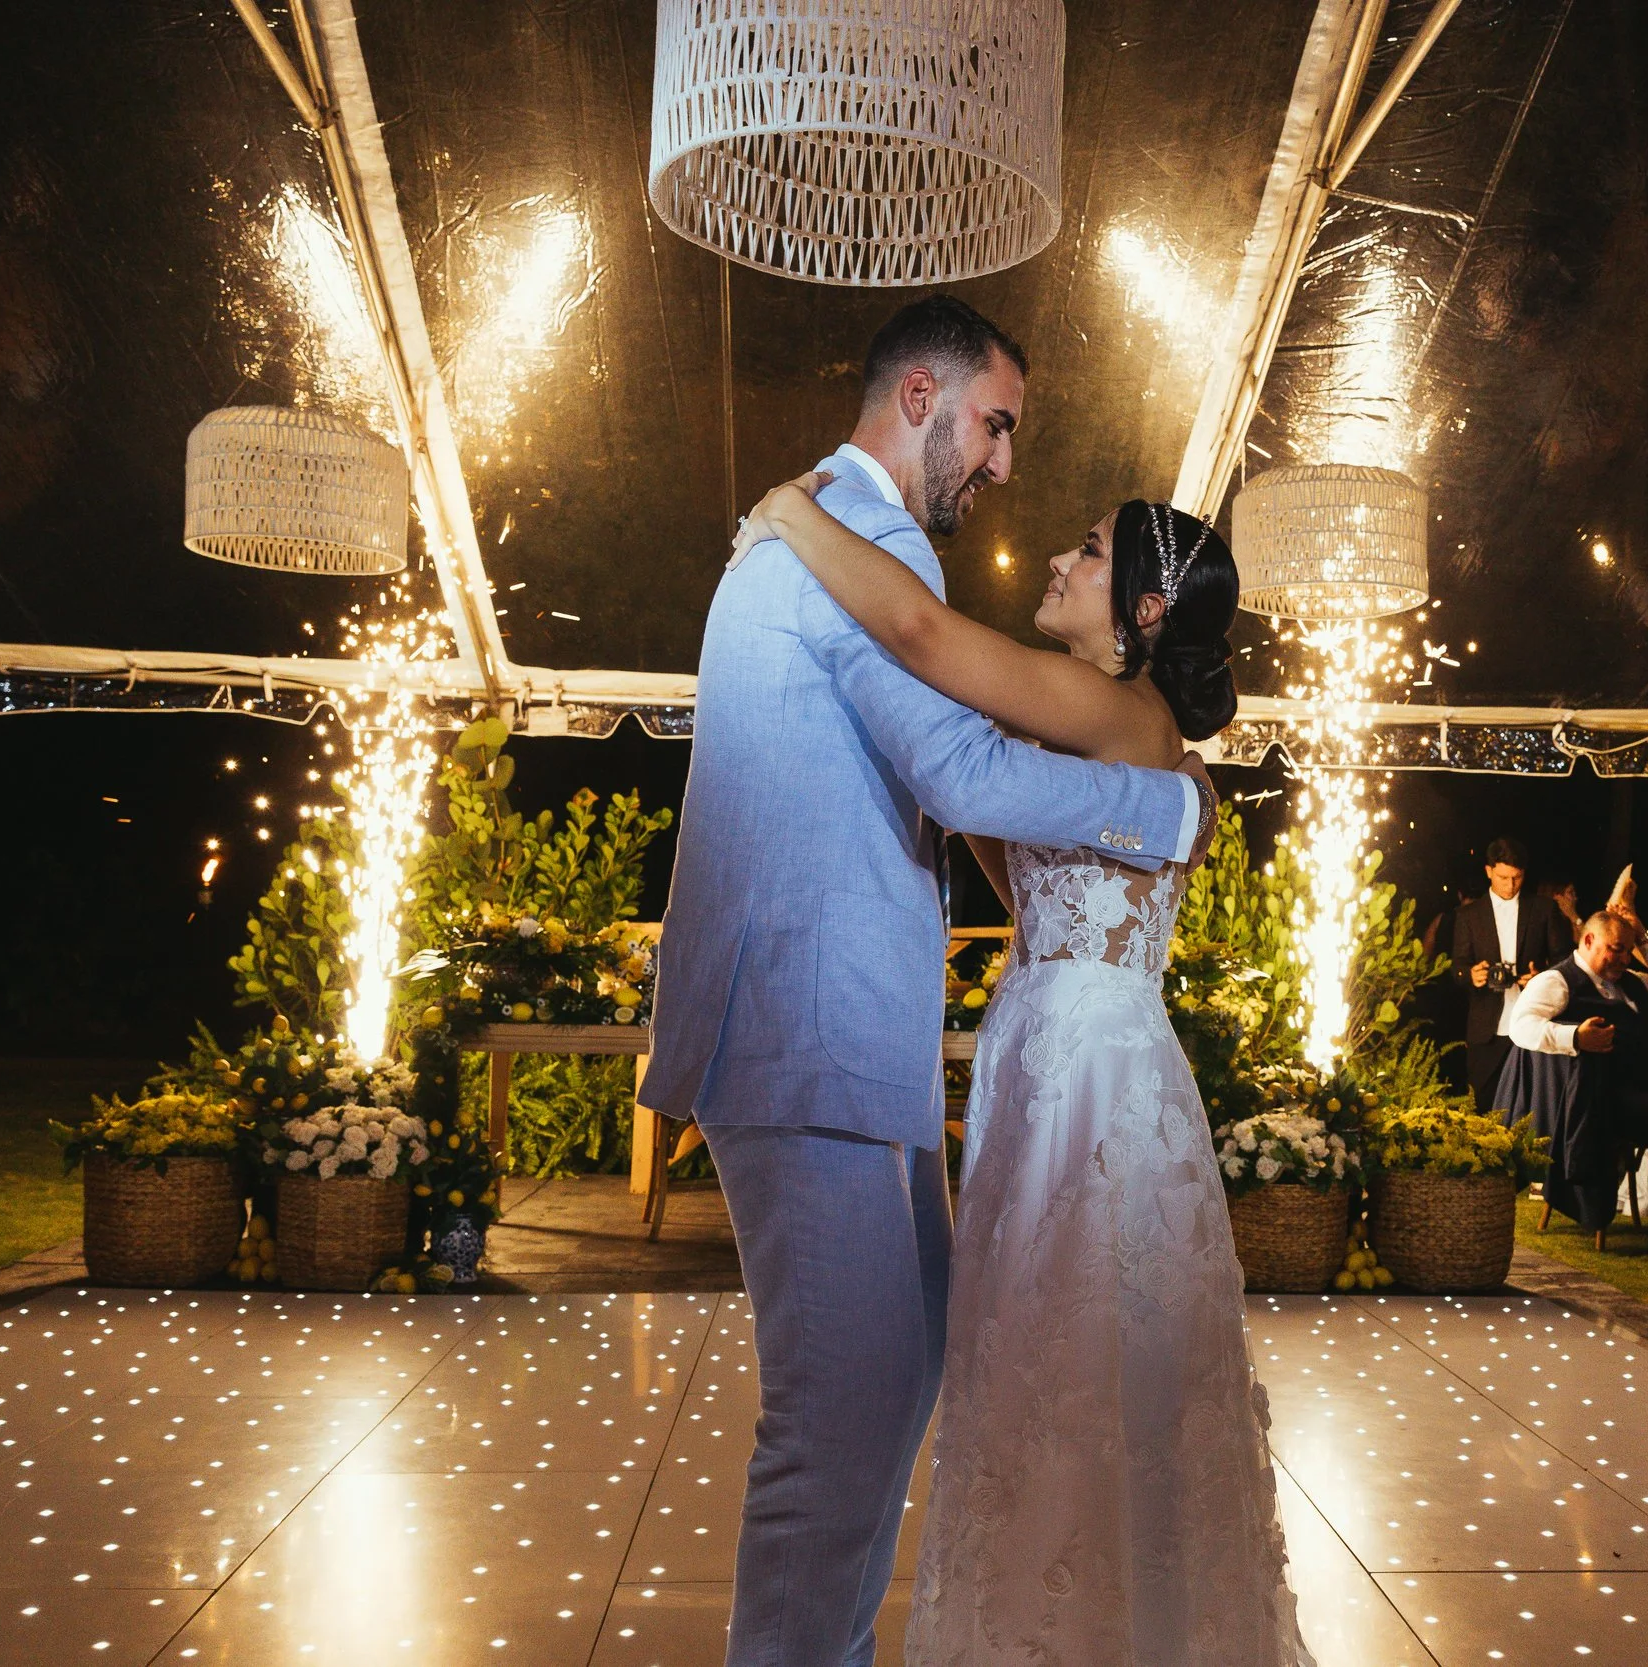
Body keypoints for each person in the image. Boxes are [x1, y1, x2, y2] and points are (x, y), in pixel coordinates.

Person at [643, 297, 1300, 1667]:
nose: (1009, 473)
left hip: (1058, 1070)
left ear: (1146, 608)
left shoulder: (833, 539)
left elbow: (973, 747)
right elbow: (966, 777)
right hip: (831, 1027)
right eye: (998, 425)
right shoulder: (853, 539)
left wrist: (1166, 811)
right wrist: (1164, 816)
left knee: (1007, 1360)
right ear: (928, 397)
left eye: (1088, 546)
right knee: (906, 1392)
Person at [1498, 903, 1648, 1255]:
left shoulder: (1632, 984)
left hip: (1643, 1084)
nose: (1623, 959)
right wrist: (1575, 1037)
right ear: (1588, 940)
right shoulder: (1557, 981)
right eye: (1616, 949)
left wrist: (1644, 936)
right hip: (1596, 1099)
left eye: (1627, 950)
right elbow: (1520, 1027)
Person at [1449, 838, 1569, 1105]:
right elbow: (1456, 966)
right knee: (1483, 1106)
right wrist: (1470, 975)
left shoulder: (1543, 909)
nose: (1510, 885)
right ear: (1489, 871)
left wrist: (1542, 977)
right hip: (1487, 1028)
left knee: (1532, 1106)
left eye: (1517, 878)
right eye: (1503, 877)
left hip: (1533, 1020)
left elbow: (1565, 962)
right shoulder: (1468, 915)